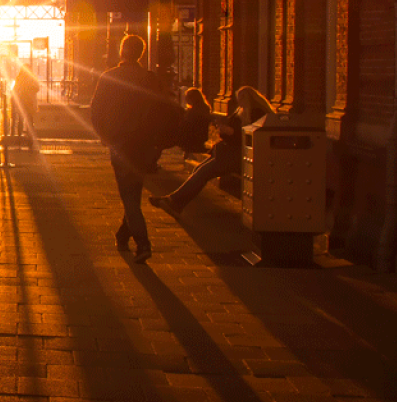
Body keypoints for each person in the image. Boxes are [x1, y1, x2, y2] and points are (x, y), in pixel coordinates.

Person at [90, 34, 170, 262]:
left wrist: (105, 137)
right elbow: (164, 109)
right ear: (141, 53)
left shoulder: (109, 77)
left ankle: (143, 244)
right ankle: (122, 236)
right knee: (133, 192)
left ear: (122, 51)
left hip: (121, 143)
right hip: (146, 146)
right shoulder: (150, 78)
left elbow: (95, 111)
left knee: (130, 197)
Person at [150, 86, 274, 216]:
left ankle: (173, 201)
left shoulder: (256, 113)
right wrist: (224, 131)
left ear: (251, 98)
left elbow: (252, 137)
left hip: (240, 157)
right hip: (229, 153)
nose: (240, 100)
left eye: (243, 97)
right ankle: (176, 202)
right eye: (239, 97)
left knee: (203, 172)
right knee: (199, 170)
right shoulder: (241, 111)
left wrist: (232, 132)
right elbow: (233, 136)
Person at [9, 62, 40, 147]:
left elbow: (15, 89)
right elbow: (37, 88)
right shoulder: (29, 78)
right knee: (27, 121)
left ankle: (22, 139)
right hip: (27, 102)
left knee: (22, 121)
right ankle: (29, 140)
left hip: (24, 102)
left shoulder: (21, 78)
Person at [176, 88, 214, 155]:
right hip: (199, 138)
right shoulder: (202, 108)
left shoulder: (195, 111)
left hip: (194, 138)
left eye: (187, 97)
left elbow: (187, 125)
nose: (186, 99)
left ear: (193, 98)